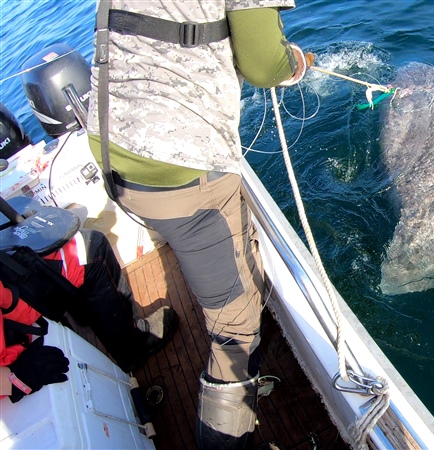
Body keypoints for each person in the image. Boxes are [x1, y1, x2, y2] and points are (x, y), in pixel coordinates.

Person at [85, 1, 308, 447]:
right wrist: (298, 63)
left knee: (228, 271)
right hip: (177, 168)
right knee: (235, 331)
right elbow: (265, 64)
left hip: (111, 150)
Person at [0, 228, 177, 403]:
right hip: (14, 326)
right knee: (94, 248)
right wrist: (16, 380)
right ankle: (133, 348)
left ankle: (84, 311)